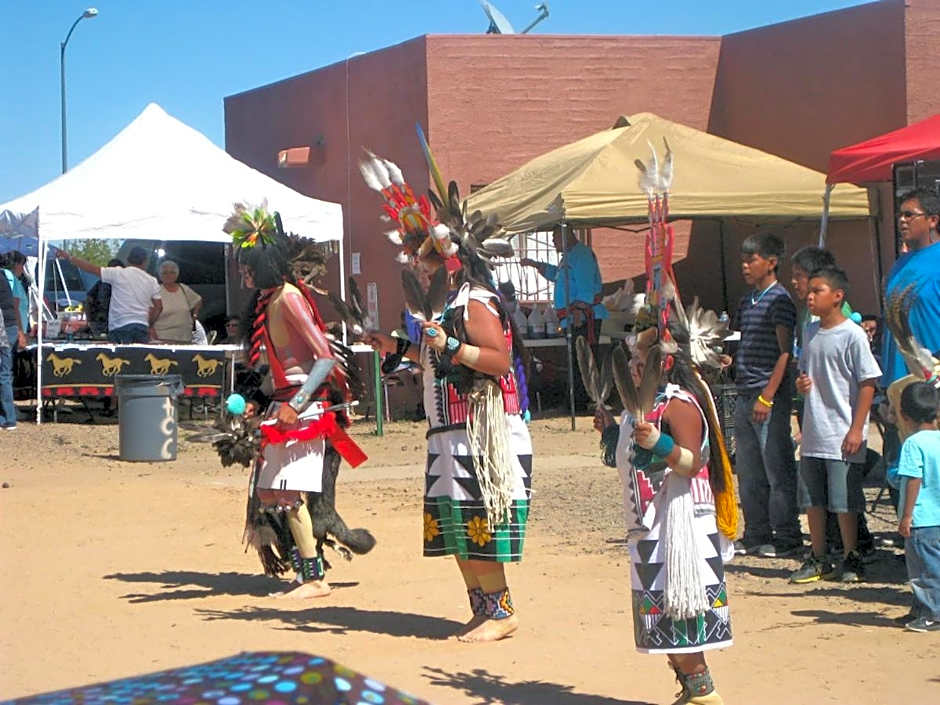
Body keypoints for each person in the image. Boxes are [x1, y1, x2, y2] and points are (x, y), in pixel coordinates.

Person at [361, 151, 532, 643]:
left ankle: (502, 612)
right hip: (449, 431)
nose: (415, 261)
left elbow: (498, 362)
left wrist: (450, 344)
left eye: (423, 255)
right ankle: (483, 609)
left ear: (448, 260)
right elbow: (440, 358)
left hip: (482, 430)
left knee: (478, 522)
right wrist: (401, 350)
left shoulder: (475, 300)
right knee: (456, 526)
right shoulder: (445, 304)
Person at [594, 298, 737, 705]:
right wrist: (612, 433)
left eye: (641, 358)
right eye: (634, 359)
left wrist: (661, 443)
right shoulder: (641, 406)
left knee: (683, 613)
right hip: (651, 526)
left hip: (683, 524)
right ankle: (694, 691)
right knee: (664, 617)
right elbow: (632, 463)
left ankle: (705, 694)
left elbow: (693, 462)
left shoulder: (679, 404)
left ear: (664, 364)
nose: (635, 365)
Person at [226, 204, 367, 599]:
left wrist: (299, 403)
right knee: (271, 494)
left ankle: (314, 578)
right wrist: (259, 399)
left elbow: (324, 358)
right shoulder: (268, 301)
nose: (243, 273)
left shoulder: (289, 298)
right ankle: (309, 572)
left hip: (303, 408)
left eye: (247, 265)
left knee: (288, 495)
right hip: (283, 404)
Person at [788, 267, 881, 584]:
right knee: (813, 500)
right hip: (814, 432)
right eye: (809, 291)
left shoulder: (853, 335)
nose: (811, 296)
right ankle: (818, 556)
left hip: (842, 434)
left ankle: (852, 554)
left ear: (838, 296)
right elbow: (808, 371)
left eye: (818, 290)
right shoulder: (811, 332)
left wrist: (857, 428)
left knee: (845, 501)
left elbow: (868, 382)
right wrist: (802, 385)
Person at [732, 232, 802, 557]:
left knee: (776, 467)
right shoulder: (748, 301)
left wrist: (768, 396)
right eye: (744, 259)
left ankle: (787, 537)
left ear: (771, 263)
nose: (745, 266)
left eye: (752, 259)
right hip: (744, 391)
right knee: (748, 470)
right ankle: (756, 533)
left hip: (766, 396)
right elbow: (746, 342)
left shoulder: (781, 301)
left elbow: (785, 353)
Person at [522, 226, 608, 407]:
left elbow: (586, 288)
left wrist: (578, 311)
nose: (553, 242)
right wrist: (536, 264)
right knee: (576, 361)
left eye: (555, 238)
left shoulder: (582, 255)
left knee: (584, 361)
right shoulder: (567, 258)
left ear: (566, 235)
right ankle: (577, 399)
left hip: (583, 318)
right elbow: (558, 276)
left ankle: (585, 400)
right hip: (570, 318)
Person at [882, 188, 940, 388]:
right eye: (900, 215)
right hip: (899, 382)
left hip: (932, 380)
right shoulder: (899, 265)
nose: (902, 220)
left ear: (932, 220)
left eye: (909, 215)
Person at [896, 382, 940, 632]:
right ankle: (922, 609)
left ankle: (932, 613)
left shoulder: (913, 444)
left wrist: (907, 515)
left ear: (904, 415)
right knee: (931, 566)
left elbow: (914, 479)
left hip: (922, 519)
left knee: (923, 569)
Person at [57, 246, 161, 344]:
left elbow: (90, 268)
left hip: (120, 326)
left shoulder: (118, 273)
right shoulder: (152, 281)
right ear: (145, 262)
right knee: (138, 361)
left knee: (119, 360)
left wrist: (69, 257)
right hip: (141, 327)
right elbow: (158, 307)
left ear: (128, 260)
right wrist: (149, 323)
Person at [152, 259, 202, 344]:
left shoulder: (184, 288)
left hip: (185, 337)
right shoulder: (156, 290)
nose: (168, 275)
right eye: (165, 273)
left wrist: (194, 316)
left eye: (172, 272)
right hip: (163, 338)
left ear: (176, 274)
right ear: (160, 275)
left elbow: (198, 300)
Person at [0, 272, 20, 430]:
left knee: (4, 374)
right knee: (5, 373)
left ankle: (8, 417)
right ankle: (8, 416)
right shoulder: (5, 277)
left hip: (3, 329)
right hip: (10, 327)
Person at [84, 258, 123, 337]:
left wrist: (89, 320)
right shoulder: (124, 284)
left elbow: (88, 300)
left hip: (101, 321)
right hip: (114, 322)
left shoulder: (101, 283)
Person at [2, 251, 31, 341]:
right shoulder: (12, 280)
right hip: (14, 329)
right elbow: (15, 307)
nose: (23, 269)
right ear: (16, 264)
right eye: (22, 265)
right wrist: (20, 332)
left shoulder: (8, 278)